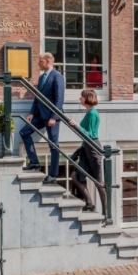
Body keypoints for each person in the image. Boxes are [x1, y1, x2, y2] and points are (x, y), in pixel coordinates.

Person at [20, 52, 65, 185]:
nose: (38, 63)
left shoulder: (58, 77)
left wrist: (54, 117)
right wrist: (32, 112)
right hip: (40, 115)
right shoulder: (41, 78)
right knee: (24, 132)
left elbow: (59, 99)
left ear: (48, 62)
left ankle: (53, 175)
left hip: (51, 117)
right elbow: (37, 96)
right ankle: (34, 162)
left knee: (53, 145)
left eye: (40, 61)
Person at [68, 89, 106, 215]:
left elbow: (90, 135)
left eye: (81, 97)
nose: (80, 99)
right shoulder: (89, 113)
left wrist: (77, 126)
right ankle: (89, 202)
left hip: (93, 148)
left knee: (98, 182)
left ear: (87, 98)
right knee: (75, 175)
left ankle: (106, 212)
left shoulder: (93, 114)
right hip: (86, 149)